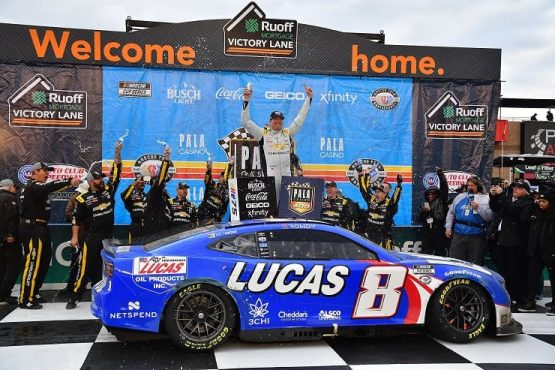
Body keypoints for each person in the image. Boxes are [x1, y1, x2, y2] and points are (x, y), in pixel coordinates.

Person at [66, 141, 122, 309]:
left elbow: (116, 174)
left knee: (107, 266)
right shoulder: (82, 199)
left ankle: (106, 293)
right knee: (85, 266)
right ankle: (74, 296)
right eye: (98, 179)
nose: (101, 181)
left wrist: (117, 153)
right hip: (93, 236)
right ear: (91, 181)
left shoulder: (108, 191)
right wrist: (75, 237)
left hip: (108, 235)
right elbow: (76, 219)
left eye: (102, 178)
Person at [19, 163, 80, 309]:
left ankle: (35, 291)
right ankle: (25, 298)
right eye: (44, 171)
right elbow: (48, 187)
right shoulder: (33, 186)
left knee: (44, 260)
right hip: (32, 228)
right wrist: (68, 181)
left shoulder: (39, 188)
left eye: (48, 171)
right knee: (33, 262)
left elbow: (49, 188)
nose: (47, 173)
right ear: (34, 173)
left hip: (41, 227)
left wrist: (68, 185)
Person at [242, 84, 313, 196]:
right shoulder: (262, 134)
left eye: (280, 119)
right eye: (275, 119)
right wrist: (246, 100)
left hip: (287, 177)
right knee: (272, 209)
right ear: (270, 121)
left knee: (285, 210)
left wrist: (309, 99)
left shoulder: (287, 133)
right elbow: (246, 122)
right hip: (270, 176)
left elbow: (300, 118)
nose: (278, 121)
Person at [489, 179, 534, 310]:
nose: (515, 189)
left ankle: (518, 297)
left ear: (525, 190)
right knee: (505, 270)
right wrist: (494, 196)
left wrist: (503, 195)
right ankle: (509, 295)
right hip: (503, 240)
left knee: (515, 271)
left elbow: (513, 210)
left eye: (518, 188)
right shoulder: (510, 200)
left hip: (516, 243)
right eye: (514, 187)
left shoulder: (527, 202)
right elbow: (497, 207)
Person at [520, 190, 555, 314]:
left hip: (551, 252)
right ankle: (530, 301)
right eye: (540, 201)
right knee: (532, 276)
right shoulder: (537, 213)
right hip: (536, 251)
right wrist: (533, 204)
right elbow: (523, 217)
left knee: (553, 278)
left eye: (544, 201)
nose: (540, 203)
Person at [445, 177, 493, 265]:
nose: (470, 187)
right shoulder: (460, 197)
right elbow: (451, 213)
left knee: (475, 263)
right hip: (459, 235)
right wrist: (448, 227)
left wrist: (478, 208)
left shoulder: (486, 198)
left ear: (478, 186)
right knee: (455, 262)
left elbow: (489, 217)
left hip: (476, 236)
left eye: (472, 185)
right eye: (468, 185)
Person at [358, 168, 402, 250]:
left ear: (385, 194)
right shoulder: (371, 200)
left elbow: (395, 199)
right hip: (369, 238)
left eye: (379, 192)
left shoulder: (389, 204)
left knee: (385, 261)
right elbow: (364, 190)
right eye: (376, 191)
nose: (376, 194)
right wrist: (361, 175)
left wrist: (399, 185)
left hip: (383, 240)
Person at [58, 181, 89, 297]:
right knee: (75, 260)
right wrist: (79, 216)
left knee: (92, 262)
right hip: (78, 231)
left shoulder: (95, 198)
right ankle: (70, 286)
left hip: (91, 233)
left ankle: (85, 285)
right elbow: (67, 212)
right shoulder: (75, 197)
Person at [142, 146, 173, 236]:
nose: (164, 183)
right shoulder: (154, 192)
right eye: (161, 182)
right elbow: (161, 178)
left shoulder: (165, 194)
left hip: (164, 229)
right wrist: (166, 159)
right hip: (156, 232)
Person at [418, 168, 449, 256]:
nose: (430, 195)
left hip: (439, 231)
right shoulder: (424, 204)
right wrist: (424, 212)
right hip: (427, 232)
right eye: (429, 193)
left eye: (433, 193)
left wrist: (441, 174)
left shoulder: (441, 202)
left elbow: (444, 189)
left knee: (439, 255)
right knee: (426, 254)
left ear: (437, 194)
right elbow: (419, 219)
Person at [0, 179, 20, 305]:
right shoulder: (9, 198)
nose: (15, 190)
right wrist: (10, 234)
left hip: (1, 238)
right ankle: (4, 293)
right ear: (8, 187)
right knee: (14, 265)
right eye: (14, 187)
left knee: (2, 266)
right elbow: (10, 218)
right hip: (8, 239)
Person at [197, 159, 233, 225]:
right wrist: (209, 170)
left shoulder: (228, 191)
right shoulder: (213, 185)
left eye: (224, 176)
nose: (223, 178)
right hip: (202, 217)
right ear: (219, 178)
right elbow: (207, 180)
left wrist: (230, 165)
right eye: (221, 176)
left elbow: (227, 177)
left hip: (214, 221)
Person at [121, 175, 146, 242]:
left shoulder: (146, 195)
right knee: (135, 247)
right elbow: (124, 196)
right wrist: (134, 184)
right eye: (140, 181)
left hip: (146, 226)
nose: (142, 182)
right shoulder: (130, 197)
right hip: (136, 226)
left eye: (143, 182)